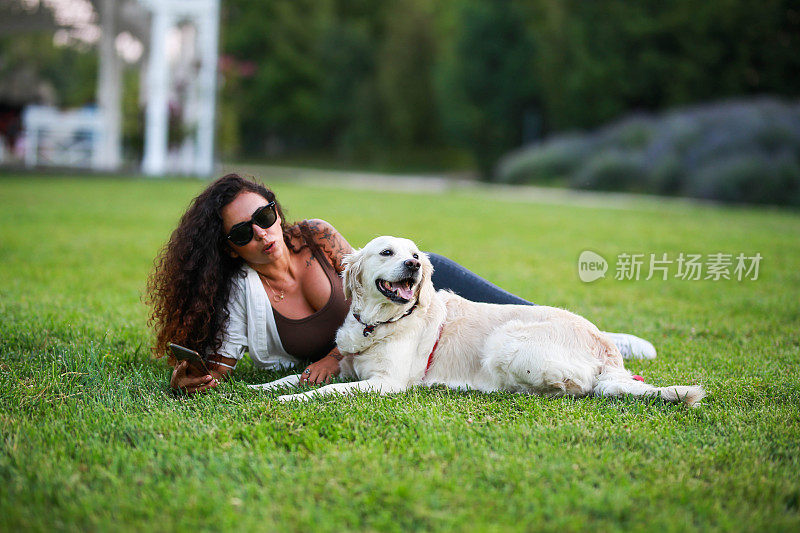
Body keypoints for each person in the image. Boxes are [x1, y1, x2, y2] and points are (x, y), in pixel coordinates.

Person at [147, 174, 656, 394]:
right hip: (379, 343)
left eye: (265, 214)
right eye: (243, 231)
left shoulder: (316, 237)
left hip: (413, 288)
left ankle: (603, 339)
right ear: (229, 246)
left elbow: (367, 275)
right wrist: (189, 378)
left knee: (513, 310)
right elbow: (218, 365)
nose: (262, 232)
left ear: (277, 211)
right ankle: (601, 345)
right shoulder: (244, 295)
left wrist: (336, 355)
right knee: (503, 327)